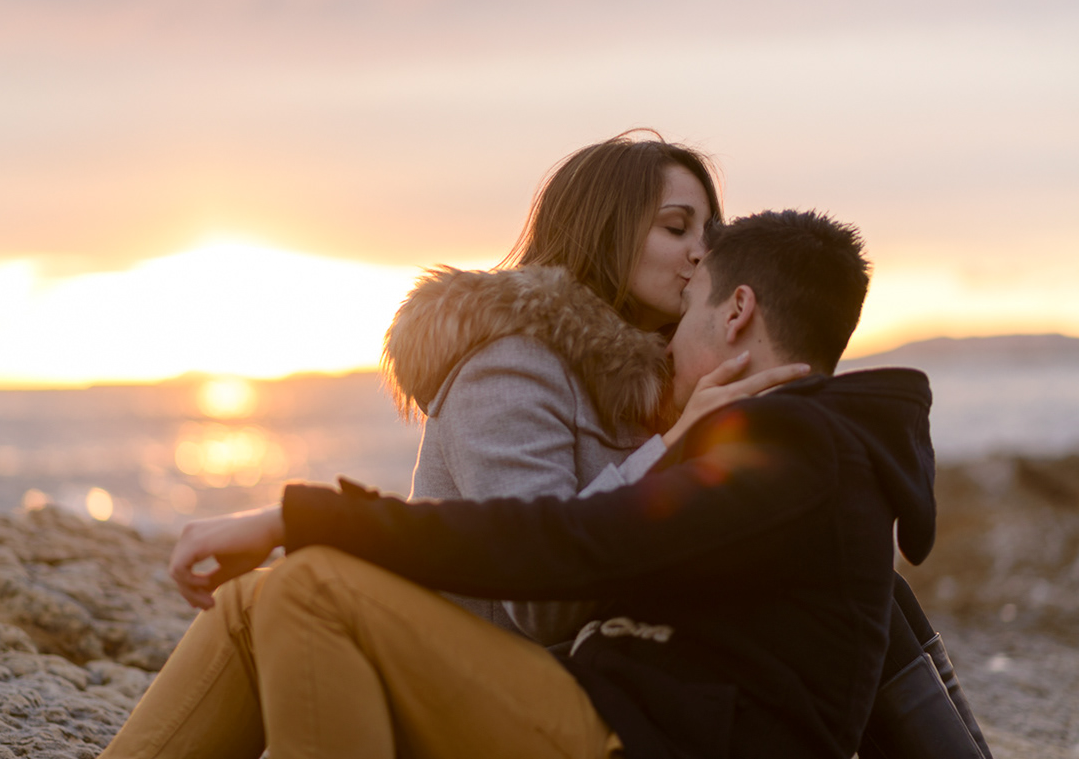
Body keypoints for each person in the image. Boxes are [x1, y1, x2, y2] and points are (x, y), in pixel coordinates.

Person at [99, 210, 938, 759]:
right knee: (277, 595)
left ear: (737, 312)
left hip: (637, 743)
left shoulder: (795, 447)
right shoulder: (809, 448)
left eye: (690, 315)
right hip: (612, 720)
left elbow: (569, 544)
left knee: (312, 588)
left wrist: (294, 512)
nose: (673, 339)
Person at [384, 131, 805, 642]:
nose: (703, 253)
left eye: (710, 235)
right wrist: (676, 447)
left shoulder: (669, 383)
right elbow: (544, 595)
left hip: (632, 685)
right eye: (676, 227)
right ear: (606, 231)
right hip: (498, 692)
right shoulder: (508, 366)